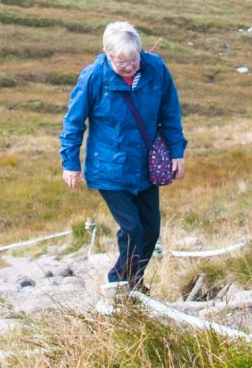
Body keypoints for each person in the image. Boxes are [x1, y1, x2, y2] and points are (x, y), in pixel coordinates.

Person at [60, 20, 187, 297]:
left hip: (145, 168)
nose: (130, 66)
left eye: (134, 59)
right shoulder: (94, 77)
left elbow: (170, 113)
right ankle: (118, 283)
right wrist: (70, 163)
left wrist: (177, 151)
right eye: (122, 62)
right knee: (131, 228)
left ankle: (135, 283)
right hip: (109, 169)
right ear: (108, 55)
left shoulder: (156, 70)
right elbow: (73, 122)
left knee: (150, 230)